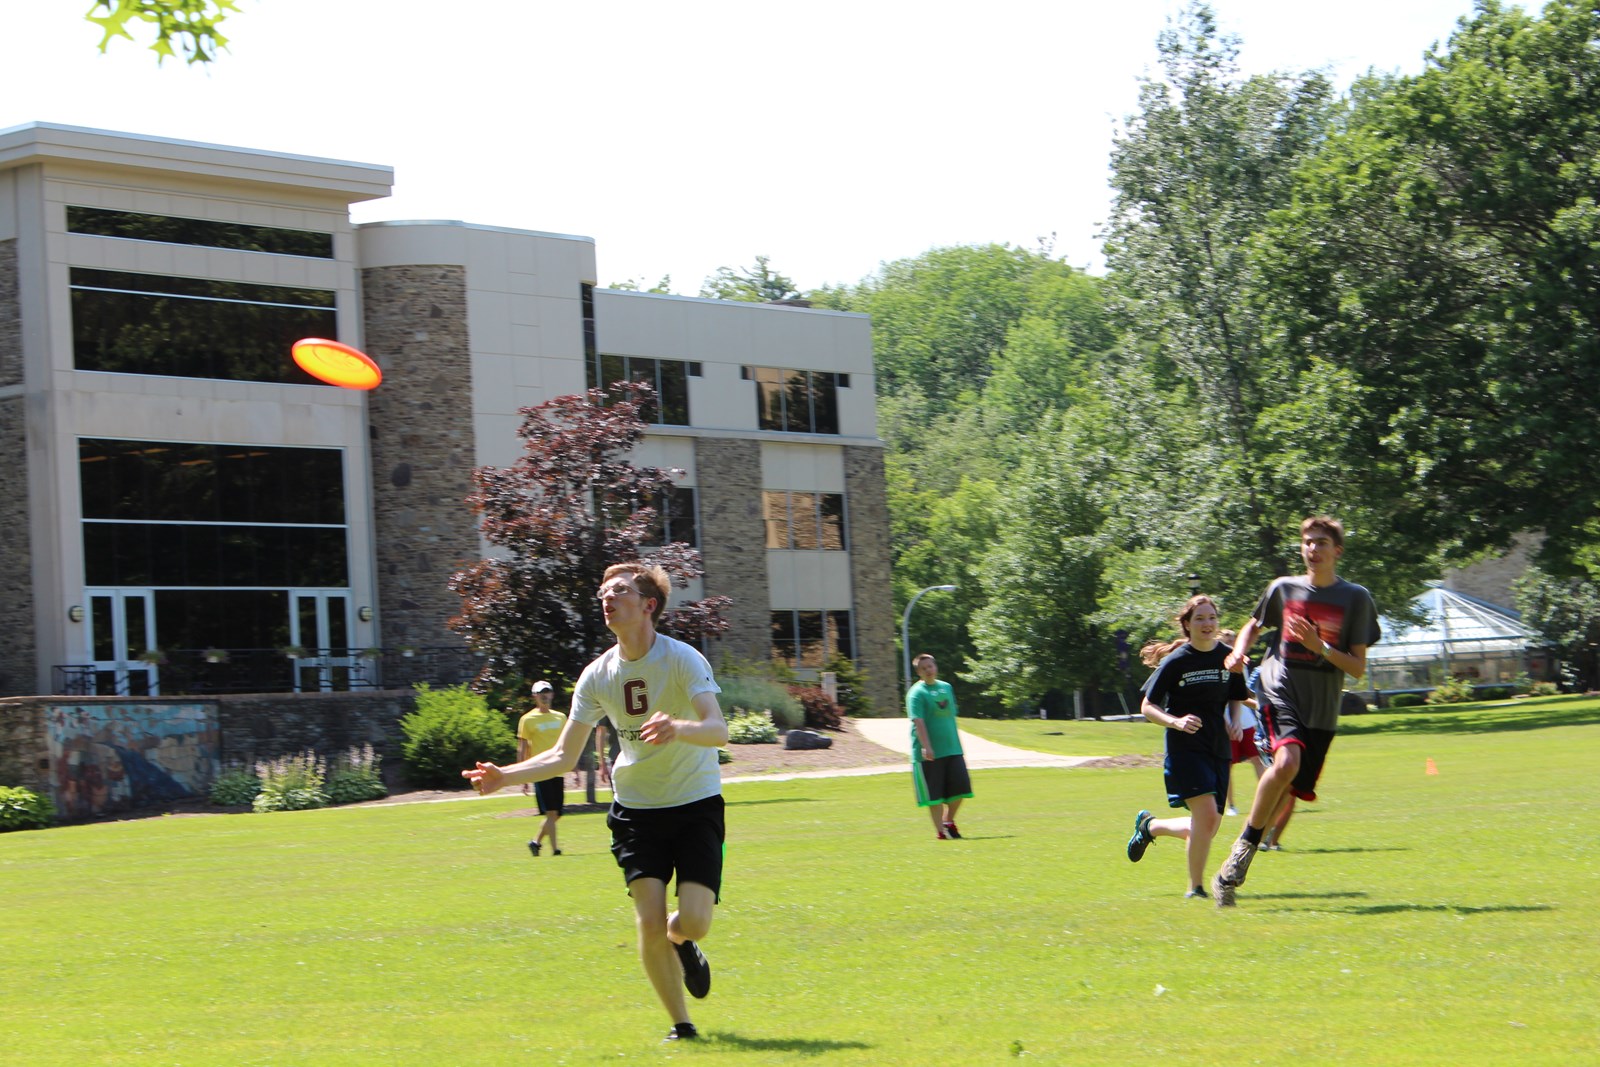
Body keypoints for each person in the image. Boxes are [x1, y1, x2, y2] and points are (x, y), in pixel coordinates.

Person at [463, 562, 729, 1042]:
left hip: (695, 803)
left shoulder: (682, 659)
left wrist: (678, 727)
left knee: (694, 921)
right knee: (647, 920)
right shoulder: (597, 675)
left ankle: (681, 940)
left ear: (648, 605)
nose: (608, 598)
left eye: (620, 590)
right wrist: (505, 777)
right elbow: (564, 756)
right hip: (636, 811)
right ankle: (682, 1026)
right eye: (603, 592)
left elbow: (718, 730)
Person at [1213, 516, 1381, 907]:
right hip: (1279, 688)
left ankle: (1232, 865)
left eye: (1321, 542)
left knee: (1289, 787)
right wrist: (1238, 653)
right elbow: (1253, 626)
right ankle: (1242, 851)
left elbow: (1357, 668)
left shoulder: (1355, 598)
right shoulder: (1283, 589)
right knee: (1287, 762)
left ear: (1337, 550)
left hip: (1321, 708)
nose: (1312, 549)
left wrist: (1320, 646)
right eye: (1307, 542)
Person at [1125, 596, 1249, 898]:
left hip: (1218, 747)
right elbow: (1147, 706)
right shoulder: (1177, 661)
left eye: (1212, 618)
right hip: (1185, 748)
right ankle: (1196, 888)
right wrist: (1176, 722)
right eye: (1200, 618)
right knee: (1205, 817)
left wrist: (1234, 720)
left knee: (1208, 826)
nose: (1207, 624)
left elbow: (1236, 695)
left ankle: (1150, 827)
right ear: (1187, 625)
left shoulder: (1229, 657)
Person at [905, 653, 973, 840]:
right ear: (919, 672)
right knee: (934, 796)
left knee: (961, 788)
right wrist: (926, 746)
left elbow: (950, 715)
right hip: (929, 753)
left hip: (952, 748)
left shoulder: (946, 687)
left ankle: (948, 821)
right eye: (923, 668)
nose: (928, 670)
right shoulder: (917, 693)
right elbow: (918, 721)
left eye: (930, 666)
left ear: (935, 667)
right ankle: (941, 833)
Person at [516, 679, 567, 856]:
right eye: (541, 693)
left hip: (558, 768)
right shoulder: (527, 719)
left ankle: (535, 842)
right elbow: (522, 748)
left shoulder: (560, 717)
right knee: (551, 812)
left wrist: (574, 768)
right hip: (540, 769)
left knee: (557, 813)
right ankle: (555, 850)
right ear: (535, 696)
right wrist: (521, 774)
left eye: (547, 692)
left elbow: (566, 744)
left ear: (552, 694)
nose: (545, 696)